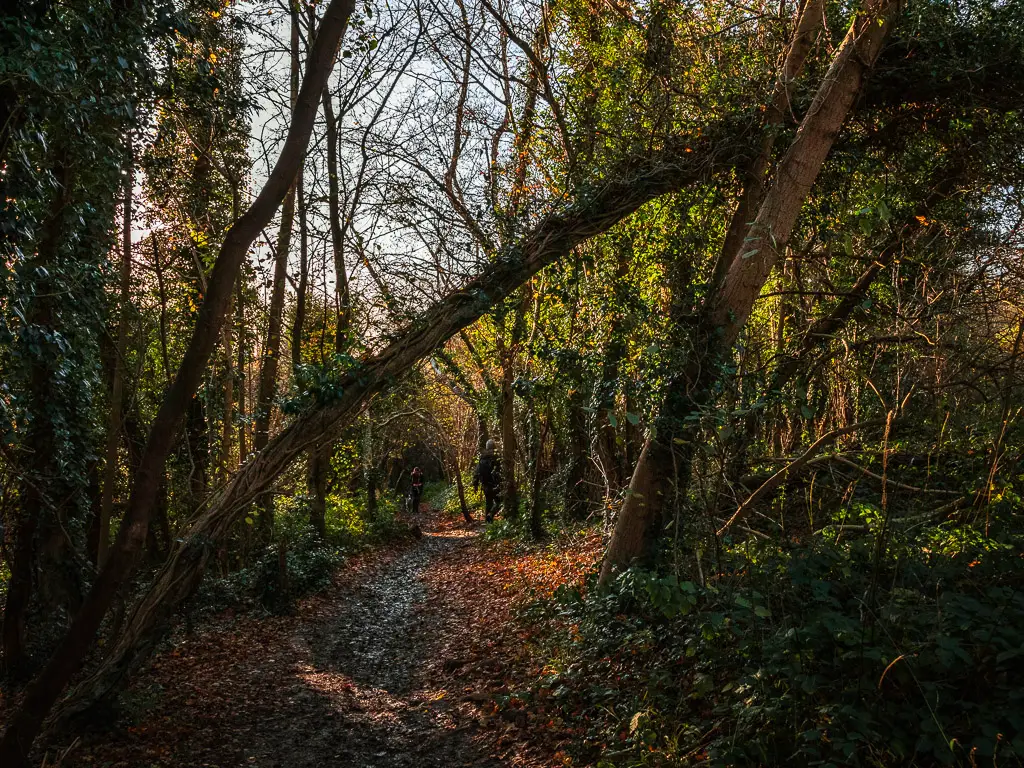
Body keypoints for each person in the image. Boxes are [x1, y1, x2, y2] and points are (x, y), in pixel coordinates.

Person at [473, 439, 501, 523]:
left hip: (485, 484)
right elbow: (500, 470)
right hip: (495, 484)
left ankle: (488, 522)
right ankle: (490, 515)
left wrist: (475, 485)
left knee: (488, 503)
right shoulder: (496, 456)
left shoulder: (482, 458)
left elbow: (476, 472)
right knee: (499, 502)